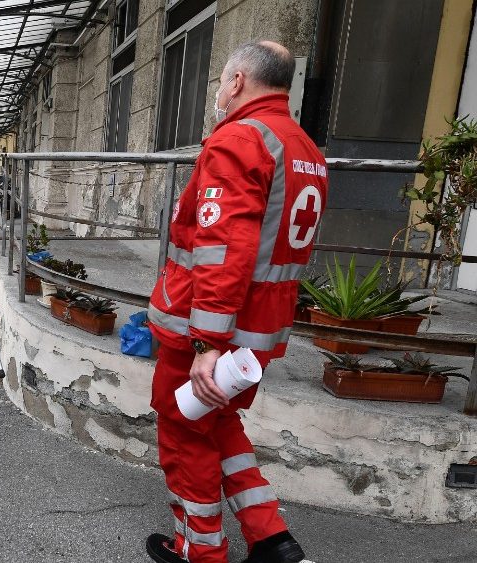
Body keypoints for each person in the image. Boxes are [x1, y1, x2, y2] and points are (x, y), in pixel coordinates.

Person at [145, 41, 327, 563]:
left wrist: (207, 343)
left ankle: (199, 552)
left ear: (238, 81)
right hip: (256, 334)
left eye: (222, 83)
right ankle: (272, 540)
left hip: (208, 331)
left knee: (185, 437)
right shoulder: (305, 150)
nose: (220, 94)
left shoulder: (240, 139)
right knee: (220, 426)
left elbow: (222, 250)